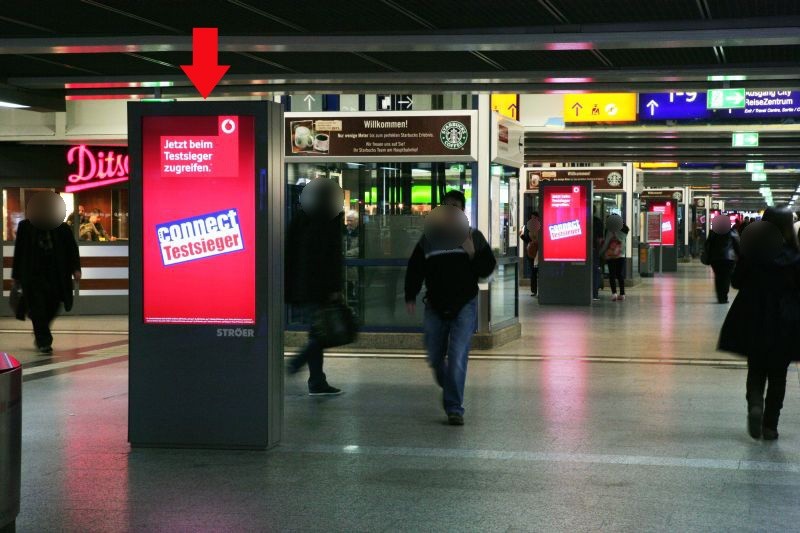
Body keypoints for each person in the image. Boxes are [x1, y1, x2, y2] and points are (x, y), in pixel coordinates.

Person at [405, 190, 497, 425]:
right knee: (435, 357)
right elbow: (415, 267)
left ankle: (454, 407)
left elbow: (486, 270)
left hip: (464, 305)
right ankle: (451, 388)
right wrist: (410, 295)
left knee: (457, 356)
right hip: (435, 305)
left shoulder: (473, 237)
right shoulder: (429, 239)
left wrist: (472, 253)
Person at [719, 206, 800, 441]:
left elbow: (736, 282)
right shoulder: (796, 255)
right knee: (778, 374)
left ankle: (755, 405)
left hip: (754, 316)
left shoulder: (752, 252)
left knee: (756, 370)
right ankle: (770, 426)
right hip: (786, 320)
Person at [286, 178, 345, 396]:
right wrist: (334, 289)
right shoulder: (328, 221)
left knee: (317, 331)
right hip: (320, 289)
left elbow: (289, 253)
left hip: (302, 287)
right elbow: (331, 258)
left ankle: (317, 379)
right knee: (321, 333)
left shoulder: (300, 220)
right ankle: (299, 363)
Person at [11, 192, 81, 354]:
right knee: (38, 305)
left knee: (53, 305)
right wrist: (16, 276)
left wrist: (76, 268)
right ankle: (44, 341)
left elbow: (72, 250)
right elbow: (19, 252)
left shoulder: (63, 229)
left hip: (56, 274)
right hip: (33, 274)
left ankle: (39, 325)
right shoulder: (25, 227)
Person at [703, 215, 740, 303]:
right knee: (726, 277)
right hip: (729, 259)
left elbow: (707, 245)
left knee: (718, 277)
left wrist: (709, 255)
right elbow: (737, 245)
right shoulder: (732, 232)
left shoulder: (713, 232)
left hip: (715, 259)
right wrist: (740, 256)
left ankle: (720, 296)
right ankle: (724, 297)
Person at [599, 214, 627, 301]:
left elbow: (607, 243)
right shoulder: (624, 230)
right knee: (620, 275)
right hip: (621, 255)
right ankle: (622, 294)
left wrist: (601, 252)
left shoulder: (610, 230)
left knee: (612, 274)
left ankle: (614, 293)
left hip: (611, 255)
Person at [519, 212, 540, 297]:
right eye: (531, 218)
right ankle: (534, 290)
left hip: (539, 252)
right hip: (531, 252)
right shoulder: (528, 227)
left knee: (539, 271)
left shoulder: (540, 227)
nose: (532, 219)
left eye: (534, 218)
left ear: (538, 218)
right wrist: (521, 236)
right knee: (533, 272)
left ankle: (540, 290)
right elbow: (527, 239)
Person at [592, 215, 604, 301]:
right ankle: (594, 294)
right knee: (595, 271)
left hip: (581, 250)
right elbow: (600, 239)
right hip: (594, 249)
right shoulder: (598, 221)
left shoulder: (580, 218)